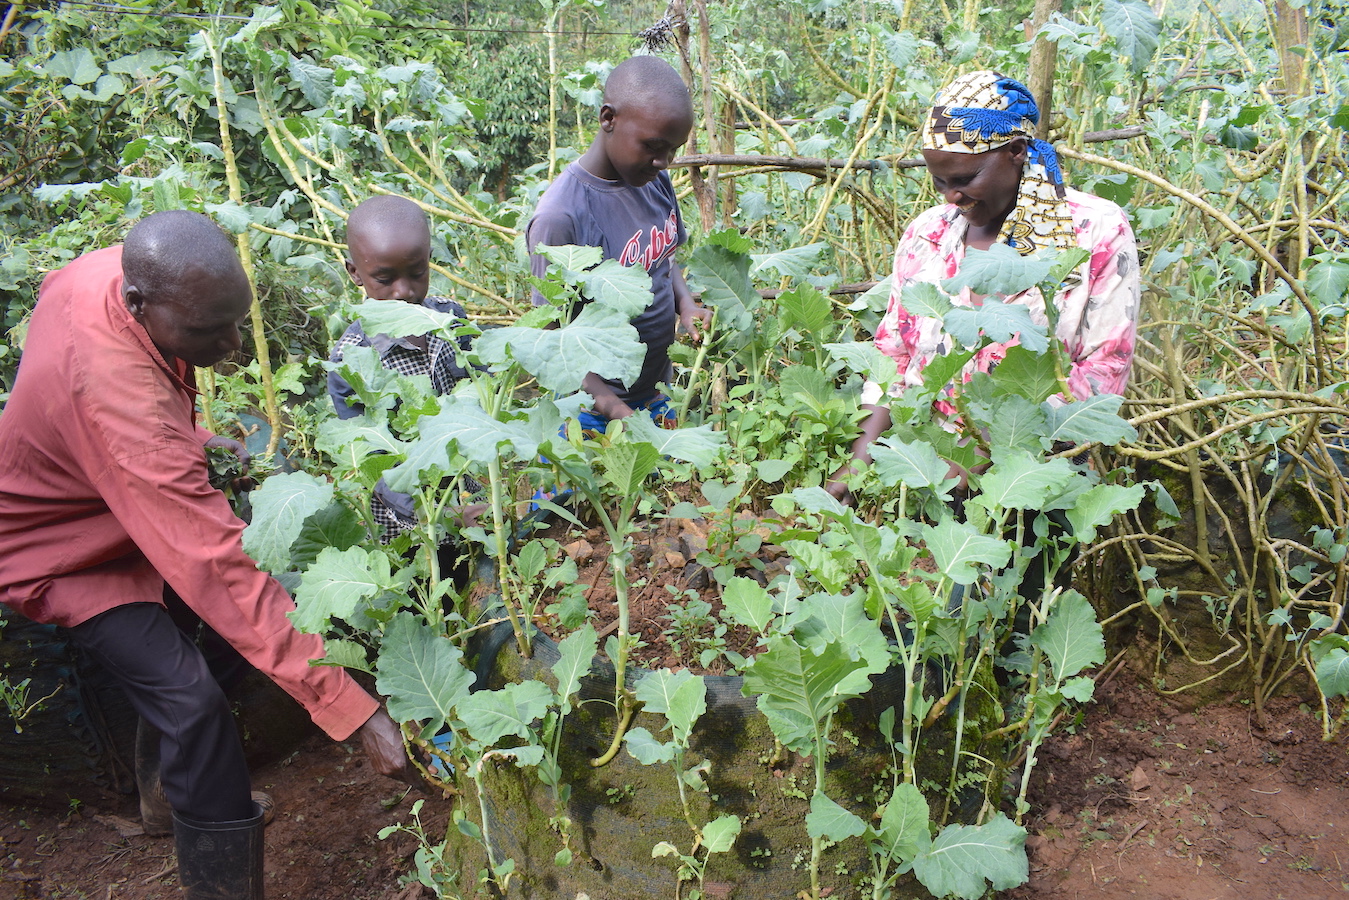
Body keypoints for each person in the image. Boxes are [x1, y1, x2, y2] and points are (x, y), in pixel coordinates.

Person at [0, 210, 413, 900]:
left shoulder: (108, 274)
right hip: (62, 553)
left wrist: (186, 440)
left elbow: (113, 374)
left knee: (214, 642)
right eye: (206, 332)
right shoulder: (116, 402)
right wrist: (354, 709)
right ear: (138, 304)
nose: (230, 343)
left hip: (118, 504)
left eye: (233, 321)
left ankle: (164, 797)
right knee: (192, 704)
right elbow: (217, 566)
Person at [827, 70, 1140, 503]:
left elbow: (1105, 373)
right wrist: (859, 459)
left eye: (965, 178)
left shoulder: (1093, 232)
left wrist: (982, 460)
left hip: (1038, 482)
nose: (951, 197)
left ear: (1015, 152)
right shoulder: (927, 235)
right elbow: (894, 355)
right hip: (925, 472)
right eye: (939, 181)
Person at [526, 54, 710, 433]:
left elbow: (663, 260)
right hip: (590, 408)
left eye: (673, 150)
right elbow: (552, 334)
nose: (664, 161)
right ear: (608, 119)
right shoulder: (560, 217)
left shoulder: (653, 180)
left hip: (657, 391)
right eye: (654, 146)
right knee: (582, 493)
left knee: (658, 488)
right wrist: (609, 405)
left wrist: (687, 304)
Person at [327, 195, 478, 546]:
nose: (405, 291)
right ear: (355, 273)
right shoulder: (352, 361)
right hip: (408, 526)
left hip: (469, 496)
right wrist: (442, 514)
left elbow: (481, 394)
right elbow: (374, 463)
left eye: (417, 273)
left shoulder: (450, 319)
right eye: (385, 279)